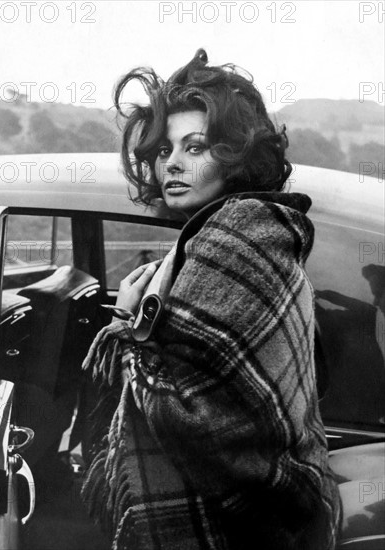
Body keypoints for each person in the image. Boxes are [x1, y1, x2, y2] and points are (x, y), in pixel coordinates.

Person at [81, 49, 342, 550]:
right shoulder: (245, 231)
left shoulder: (238, 237)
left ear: (234, 156)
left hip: (230, 530)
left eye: (195, 147)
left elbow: (200, 421)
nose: (172, 164)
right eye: (162, 152)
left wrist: (136, 324)